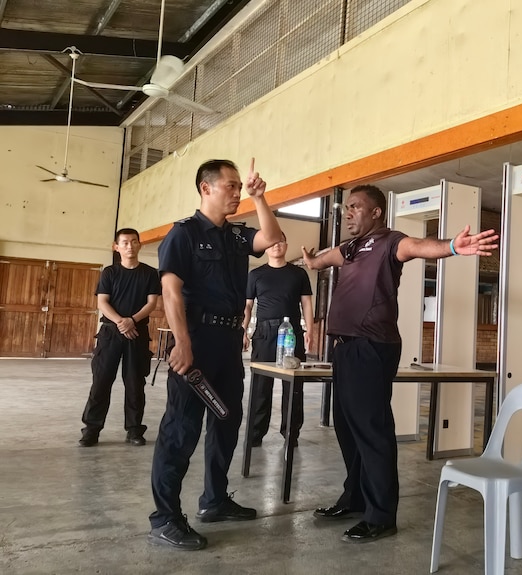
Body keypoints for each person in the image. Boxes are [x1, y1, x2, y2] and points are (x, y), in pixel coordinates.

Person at [302, 184, 498, 543]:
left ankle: (381, 516)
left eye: (356, 207)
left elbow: (421, 246)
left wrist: (453, 246)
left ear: (376, 212)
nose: (348, 213)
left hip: (371, 347)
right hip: (343, 347)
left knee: (372, 431)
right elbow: (329, 258)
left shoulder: (391, 241)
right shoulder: (350, 248)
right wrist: (313, 261)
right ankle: (356, 497)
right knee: (348, 428)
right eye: (347, 207)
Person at [148, 158, 283, 551]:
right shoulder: (183, 234)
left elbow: (272, 238)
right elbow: (172, 292)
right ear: (206, 188)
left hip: (228, 341)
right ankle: (164, 517)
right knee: (181, 429)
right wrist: (183, 341)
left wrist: (261, 198)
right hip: (198, 339)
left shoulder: (236, 236)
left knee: (226, 422)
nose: (237, 192)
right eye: (231, 186)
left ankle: (214, 500)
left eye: (240, 186)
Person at [79, 228, 160, 447]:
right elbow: (102, 302)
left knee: (135, 384)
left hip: (137, 332)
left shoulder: (150, 273)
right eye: (124, 243)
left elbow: (151, 303)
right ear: (116, 247)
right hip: (110, 333)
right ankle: (91, 430)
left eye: (134, 242)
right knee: (101, 382)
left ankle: (134, 430)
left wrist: (132, 321)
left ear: (140, 245)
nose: (129, 246)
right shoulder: (109, 273)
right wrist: (121, 322)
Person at [242, 232, 315, 447]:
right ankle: (255, 434)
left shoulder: (298, 274)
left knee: (293, 386)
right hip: (264, 333)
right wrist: (243, 331)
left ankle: (291, 435)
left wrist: (309, 330)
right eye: (272, 242)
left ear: (286, 244)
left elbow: (307, 304)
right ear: (265, 247)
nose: (276, 245)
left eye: (280, 241)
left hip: (292, 333)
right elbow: (247, 306)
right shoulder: (255, 275)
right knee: (261, 385)